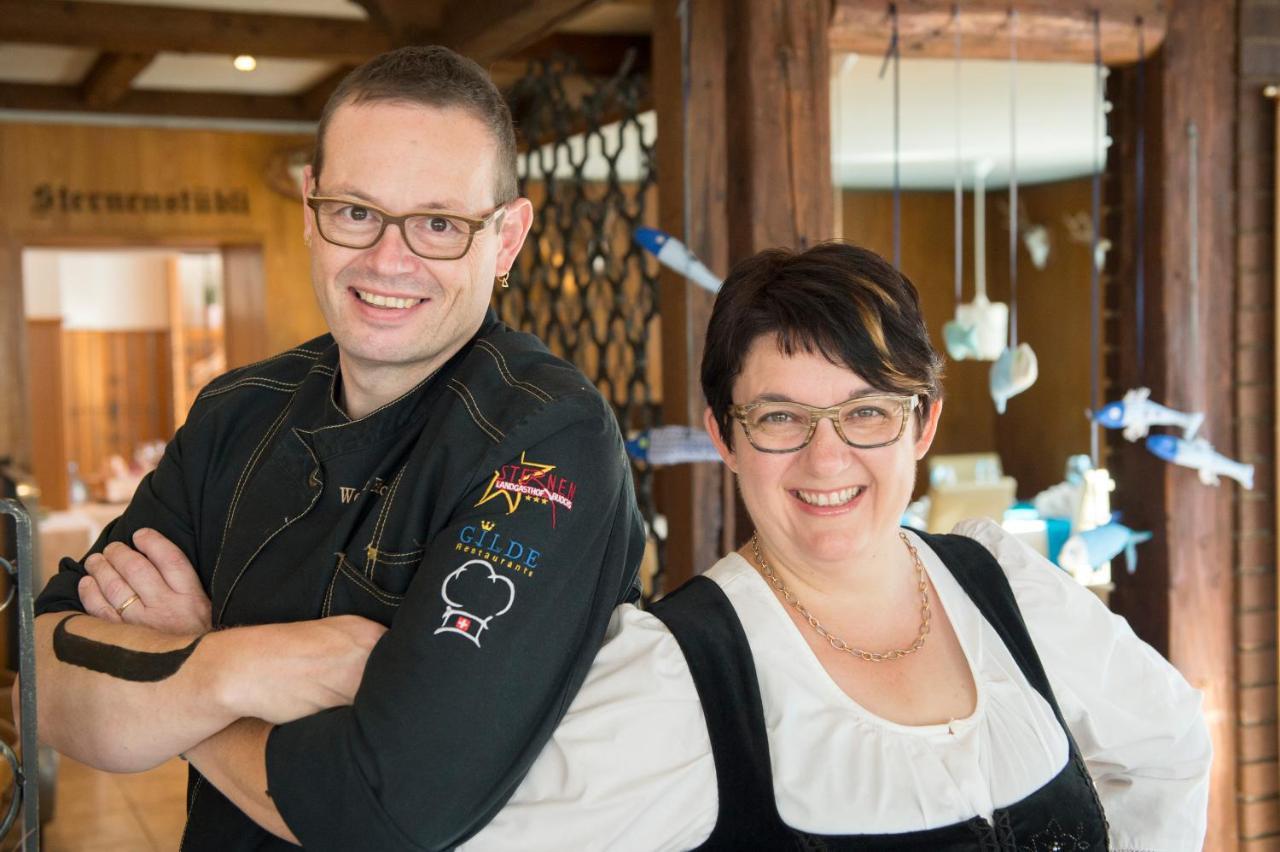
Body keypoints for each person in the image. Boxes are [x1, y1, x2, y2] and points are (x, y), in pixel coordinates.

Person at [28, 46, 644, 851]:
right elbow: (41, 680)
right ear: (311, 207)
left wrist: (174, 690)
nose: (389, 260)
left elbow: (384, 815)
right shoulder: (235, 412)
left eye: (438, 224)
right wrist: (227, 668)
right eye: (357, 211)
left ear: (506, 238)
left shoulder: (546, 439)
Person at [461, 242, 1212, 850]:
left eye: (868, 412)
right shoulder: (675, 672)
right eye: (781, 417)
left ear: (923, 425)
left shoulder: (1004, 584)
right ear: (724, 434)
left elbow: (1169, 747)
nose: (827, 459)